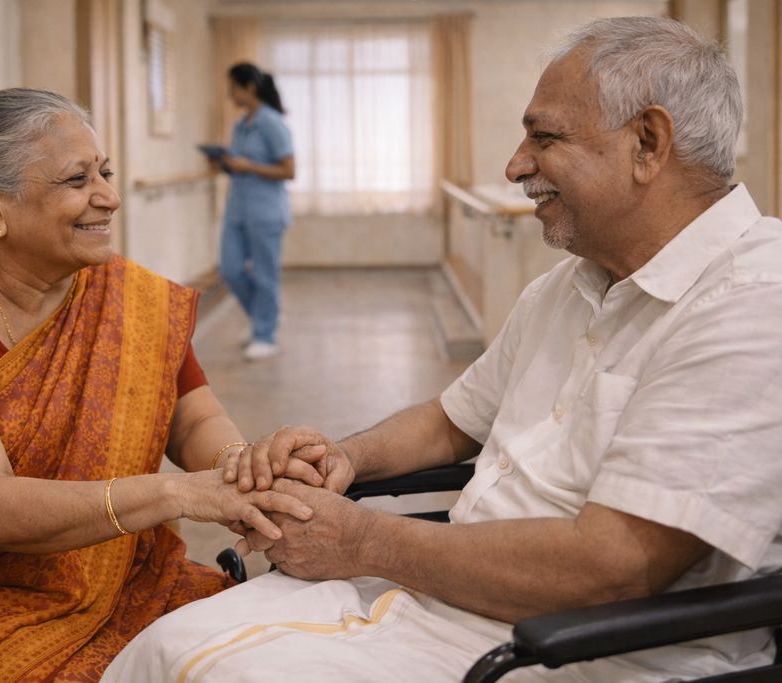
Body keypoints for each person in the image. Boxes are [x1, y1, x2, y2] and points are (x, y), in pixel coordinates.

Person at [102, 17, 782, 682]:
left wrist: (363, 540)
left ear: (649, 142)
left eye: (545, 137)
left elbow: (611, 568)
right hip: (449, 593)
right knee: (165, 646)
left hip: (581, 649)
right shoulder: (567, 287)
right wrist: (345, 456)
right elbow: (450, 418)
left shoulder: (752, 304)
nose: (516, 165)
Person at [0, 88, 322, 681]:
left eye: (104, 173)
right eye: (76, 179)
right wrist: (178, 493)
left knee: (258, 655)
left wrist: (244, 471)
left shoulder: (127, 295)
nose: (109, 197)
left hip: (127, 574)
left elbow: (193, 419)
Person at [217, 62, 295, 361]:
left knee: (264, 275)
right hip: (237, 209)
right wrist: (226, 162)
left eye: (233, 87)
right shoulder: (241, 124)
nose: (230, 94)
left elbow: (289, 170)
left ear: (249, 87)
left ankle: (265, 334)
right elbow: (240, 164)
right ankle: (265, 316)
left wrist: (249, 166)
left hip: (266, 212)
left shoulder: (272, 123)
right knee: (231, 270)